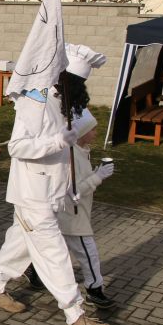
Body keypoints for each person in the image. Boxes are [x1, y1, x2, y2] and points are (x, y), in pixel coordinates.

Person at [0, 30, 111, 325]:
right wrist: (58, 141)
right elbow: (18, 147)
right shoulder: (35, 101)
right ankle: (76, 317)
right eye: (77, 83)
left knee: (19, 243)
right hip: (33, 195)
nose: (80, 90)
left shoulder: (60, 102)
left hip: (49, 193)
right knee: (55, 254)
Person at [55, 110, 116, 309]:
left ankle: (33, 270)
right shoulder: (72, 156)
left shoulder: (82, 151)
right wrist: (99, 177)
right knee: (89, 254)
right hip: (72, 216)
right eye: (93, 129)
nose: (96, 133)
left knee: (55, 251)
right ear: (81, 133)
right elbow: (73, 190)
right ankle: (94, 289)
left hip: (76, 214)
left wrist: (96, 174)